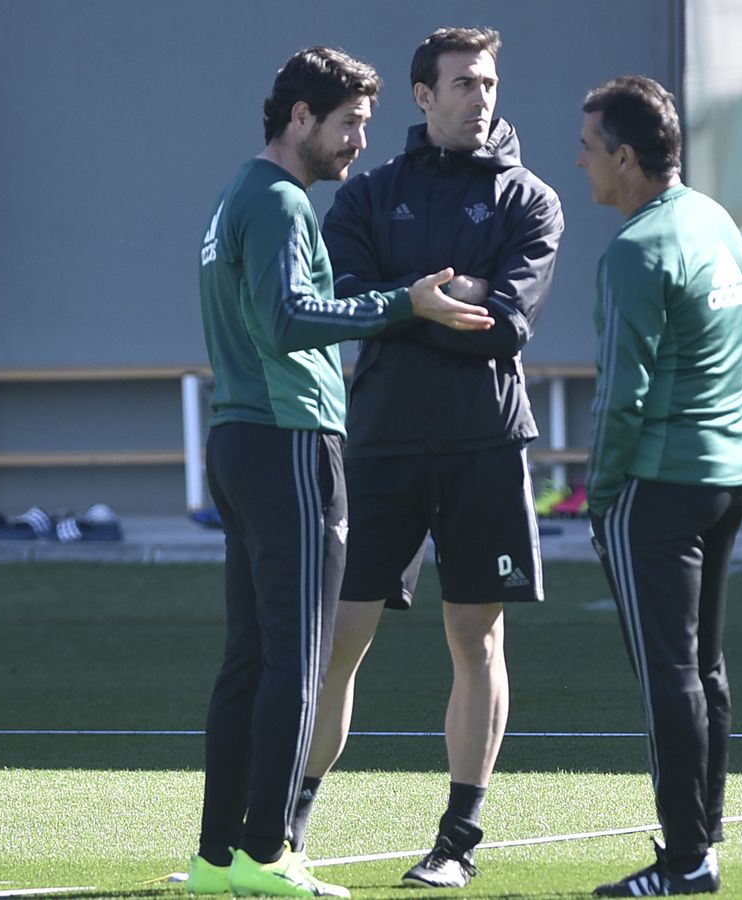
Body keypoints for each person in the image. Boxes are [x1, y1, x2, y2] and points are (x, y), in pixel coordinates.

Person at [187, 47, 494, 899]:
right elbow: (288, 320)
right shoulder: (281, 202)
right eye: (348, 122)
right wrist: (404, 302)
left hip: (241, 437)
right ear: (299, 118)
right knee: (297, 657)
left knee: (249, 658)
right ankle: (267, 851)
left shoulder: (238, 195)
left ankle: (217, 861)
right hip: (287, 437)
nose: (360, 138)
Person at [290, 27, 564, 890]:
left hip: (485, 444)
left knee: (476, 637)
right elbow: (346, 301)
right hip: (380, 444)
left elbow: (509, 323)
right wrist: (436, 303)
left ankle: (457, 840)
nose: (480, 97)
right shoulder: (370, 195)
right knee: (338, 640)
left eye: (488, 83)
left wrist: (408, 305)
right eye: (463, 84)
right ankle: (289, 828)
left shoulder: (532, 201)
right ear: (423, 94)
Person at [575, 75, 742, 896]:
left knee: (668, 674)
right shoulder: (713, 220)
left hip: (658, 484)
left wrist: (599, 492)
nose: (580, 165)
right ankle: (704, 840)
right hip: (730, 474)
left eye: (587, 149)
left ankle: (684, 860)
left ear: (625, 156)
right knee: (702, 666)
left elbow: (621, 393)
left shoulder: (636, 249)